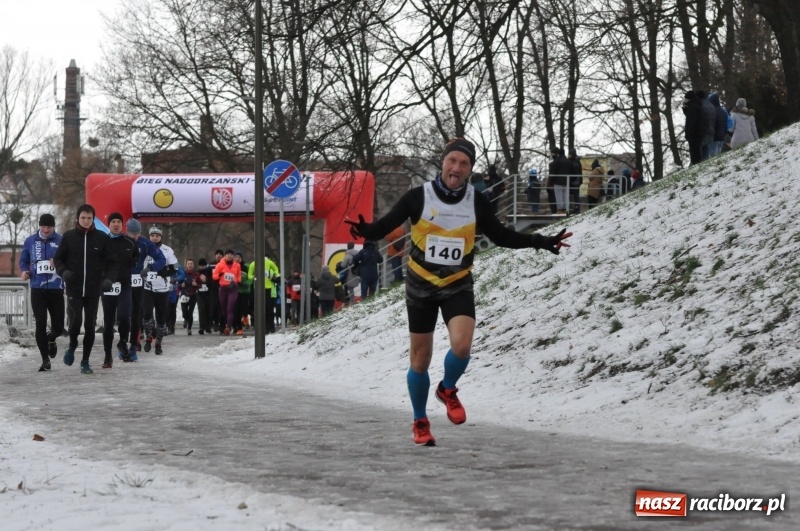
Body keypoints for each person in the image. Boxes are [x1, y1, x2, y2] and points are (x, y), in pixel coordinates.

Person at [345, 137, 572, 446]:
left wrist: (540, 241)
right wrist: (364, 230)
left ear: (469, 169)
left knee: (462, 346)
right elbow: (383, 227)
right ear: (443, 163)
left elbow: (501, 235)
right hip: (421, 285)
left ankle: (447, 389)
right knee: (420, 360)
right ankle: (420, 421)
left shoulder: (476, 201)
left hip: (457, 283)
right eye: (452, 160)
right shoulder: (418, 197)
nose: (457, 167)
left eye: (464, 163)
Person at [53, 204, 118, 374]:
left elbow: (112, 263)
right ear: (78, 218)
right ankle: (72, 344)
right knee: (75, 323)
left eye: (89, 218)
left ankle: (85, 361)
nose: (86, 221)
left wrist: (109, 279)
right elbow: (58, 260)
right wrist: (63, 272)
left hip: (93, 289)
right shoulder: (68, 237)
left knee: (90, 325)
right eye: (83, 218)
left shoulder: (102, 238)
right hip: (74, 287)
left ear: (93, 219)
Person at [19, 213, 65, 372]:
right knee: (40, 323)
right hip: (37, 288)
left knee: (58, 327)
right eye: (43, 227)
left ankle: (51, 338)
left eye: (49, 227)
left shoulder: (61, 241)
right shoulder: (30, 241)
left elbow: (69, 260)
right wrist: (24, 271)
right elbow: (23, 260)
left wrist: (58, 262)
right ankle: (45, 360)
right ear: (39, 226)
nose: (46, 230)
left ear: (53, 227)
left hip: (56, 289)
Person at [100, 212, 139, 368]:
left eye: (118, 222)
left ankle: (123, 342)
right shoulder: (103, 242)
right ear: (108, 224)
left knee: (124, 316)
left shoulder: (130, 242)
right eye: (113, 222)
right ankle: (107, 356)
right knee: (109, 322)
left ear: (122, 225)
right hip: (108, 286)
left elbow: (135, 258)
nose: (116, 224)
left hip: (124, 285)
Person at [124, 219, 166, 361]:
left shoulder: (145, 243)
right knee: (124, 314)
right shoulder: (121, 241)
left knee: (136, 314)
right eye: (132, 234)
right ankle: (123, 343)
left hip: (138, 281)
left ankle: (134, 344)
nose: (135, 237)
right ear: (127, 232)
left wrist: (149, 268)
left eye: (137, 234)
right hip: (123, 281)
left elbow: (161, 259)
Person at [142, 226, 178, 355]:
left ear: (161, 237)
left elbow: (175, 268)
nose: (154, 238)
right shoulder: (145, 249)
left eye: (157, 236)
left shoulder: (167, 250)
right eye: (152, 236)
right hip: (148, 287)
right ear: (149, 236)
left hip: (163, 289)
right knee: (146, 314)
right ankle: (148, 337)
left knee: (161, 318)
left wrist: (164, 272)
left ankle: (158, 343)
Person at [248, 252, 280, 334]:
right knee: (261, 309)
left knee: (269, 310)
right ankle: (263, 327)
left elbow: (277, 275)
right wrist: (255, 277)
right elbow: (250, 276)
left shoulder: (271, 266)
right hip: (259, 289)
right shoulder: (254, 264)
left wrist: (274, 277)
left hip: (270, 291)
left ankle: (270, 327)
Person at [212, 249, 240, 335]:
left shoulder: (237, 265)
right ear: (225, 256)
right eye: (228, 254)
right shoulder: (220, 265)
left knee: (230, 308)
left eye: (231, 254)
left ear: (233, 256)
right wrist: (219, 275)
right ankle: (224, 325)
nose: (229, 256)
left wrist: (235, 282)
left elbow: (238, 277)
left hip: (232, 289)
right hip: (223, 289)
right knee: (224, 309)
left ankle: (228, 327)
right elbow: (214, 276)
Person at [179, 258, 204, 335]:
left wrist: (196, 285)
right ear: (186, 265)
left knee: (190, 312)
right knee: (184, 312)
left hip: (193, 295)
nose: (190, 265)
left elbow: (200, 285)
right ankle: (186, 319)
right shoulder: (182, 274)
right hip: (184, 294)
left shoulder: (196, 274)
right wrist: (181, 285)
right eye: (188, 264)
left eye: (191, 264)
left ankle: (189, 328)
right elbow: (177, 284)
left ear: (193, 265)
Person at [682, 90, 704, 165]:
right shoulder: (697, 104)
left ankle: (696, 164)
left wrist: (688, 134)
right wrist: (685, 109)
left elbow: (690, 121)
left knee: (694, 152)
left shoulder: (692, 106)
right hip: (699, 132)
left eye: (686, 98)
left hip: (693, 133)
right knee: (697, 151)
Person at [232, 251, 252, 335]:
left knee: (244, 308)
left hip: (244, 291)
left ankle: (245, 316)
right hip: (235, 291)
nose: (237, 259)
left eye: (239, 257)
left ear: (242, 258)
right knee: (236, 310)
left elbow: (250, 278)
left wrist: (244, 284)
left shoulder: (247, 267)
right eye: (236, 257)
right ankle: (238, 327)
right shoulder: (232, 266)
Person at [707, 92, 729, 158]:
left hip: (714, 138)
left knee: (713, 157)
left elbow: (711, 125)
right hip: (722, 137)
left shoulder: (713, 112)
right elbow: (726, 125)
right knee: (718, 155)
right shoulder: (723, 111)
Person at [697, 90, 716, 161]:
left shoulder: (700, 105)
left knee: (700, 154)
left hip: (702, 132)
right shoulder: (711, 105)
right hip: (711, 130)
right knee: (707, 153)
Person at [195, 258, 212, 335]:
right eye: (200, 266)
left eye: (203, 266)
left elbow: (212, 281)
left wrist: (206, 281)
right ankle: (201, 327)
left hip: (208, 293)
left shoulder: (209, 271)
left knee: (208, 309)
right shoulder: (197, 272)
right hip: (200, 293)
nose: (202, 267)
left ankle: (208, 327)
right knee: (201, 310)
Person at [566, 148, 583, 214]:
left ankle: (576, 208)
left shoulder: (574, 162)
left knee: (575, 196)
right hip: (576, 181)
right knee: (575, 195)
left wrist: (570, 180)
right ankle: (575, 208)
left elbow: (573, 172)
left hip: (574, 181)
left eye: (569, 154)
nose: (568, 155)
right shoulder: (577, 161)